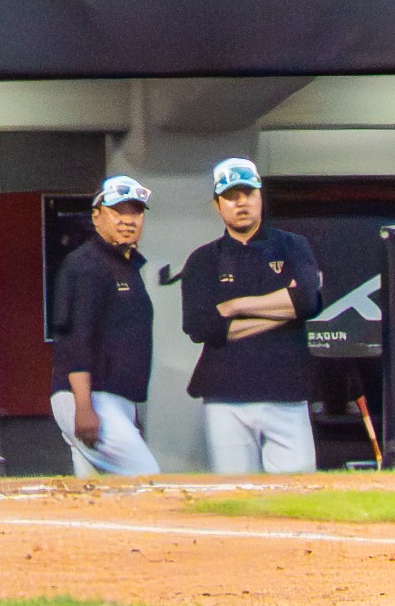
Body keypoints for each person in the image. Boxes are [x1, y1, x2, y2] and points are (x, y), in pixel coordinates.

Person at [179, 157, 321, 475]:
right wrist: (283, 311)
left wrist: (235, 307)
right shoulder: (203, 259)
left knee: (295, 488)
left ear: (260, 196)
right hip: (226, 393)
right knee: (235, 487)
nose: (241, 202)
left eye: (248, 193)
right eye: (231, 196)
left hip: (286, 389)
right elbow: (201, 327)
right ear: (217, 205)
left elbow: (307, 302)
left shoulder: (292, 246)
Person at [51, 175, 159, 477]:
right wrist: (84, 406)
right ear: (96, 216)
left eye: (135, 212)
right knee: (147, 477)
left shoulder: (125, 265)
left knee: (96, 493)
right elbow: (76, 339)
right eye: (118, 211)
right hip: (90, 397)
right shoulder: (87, 265)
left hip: (114, 399)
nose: (128, 220)